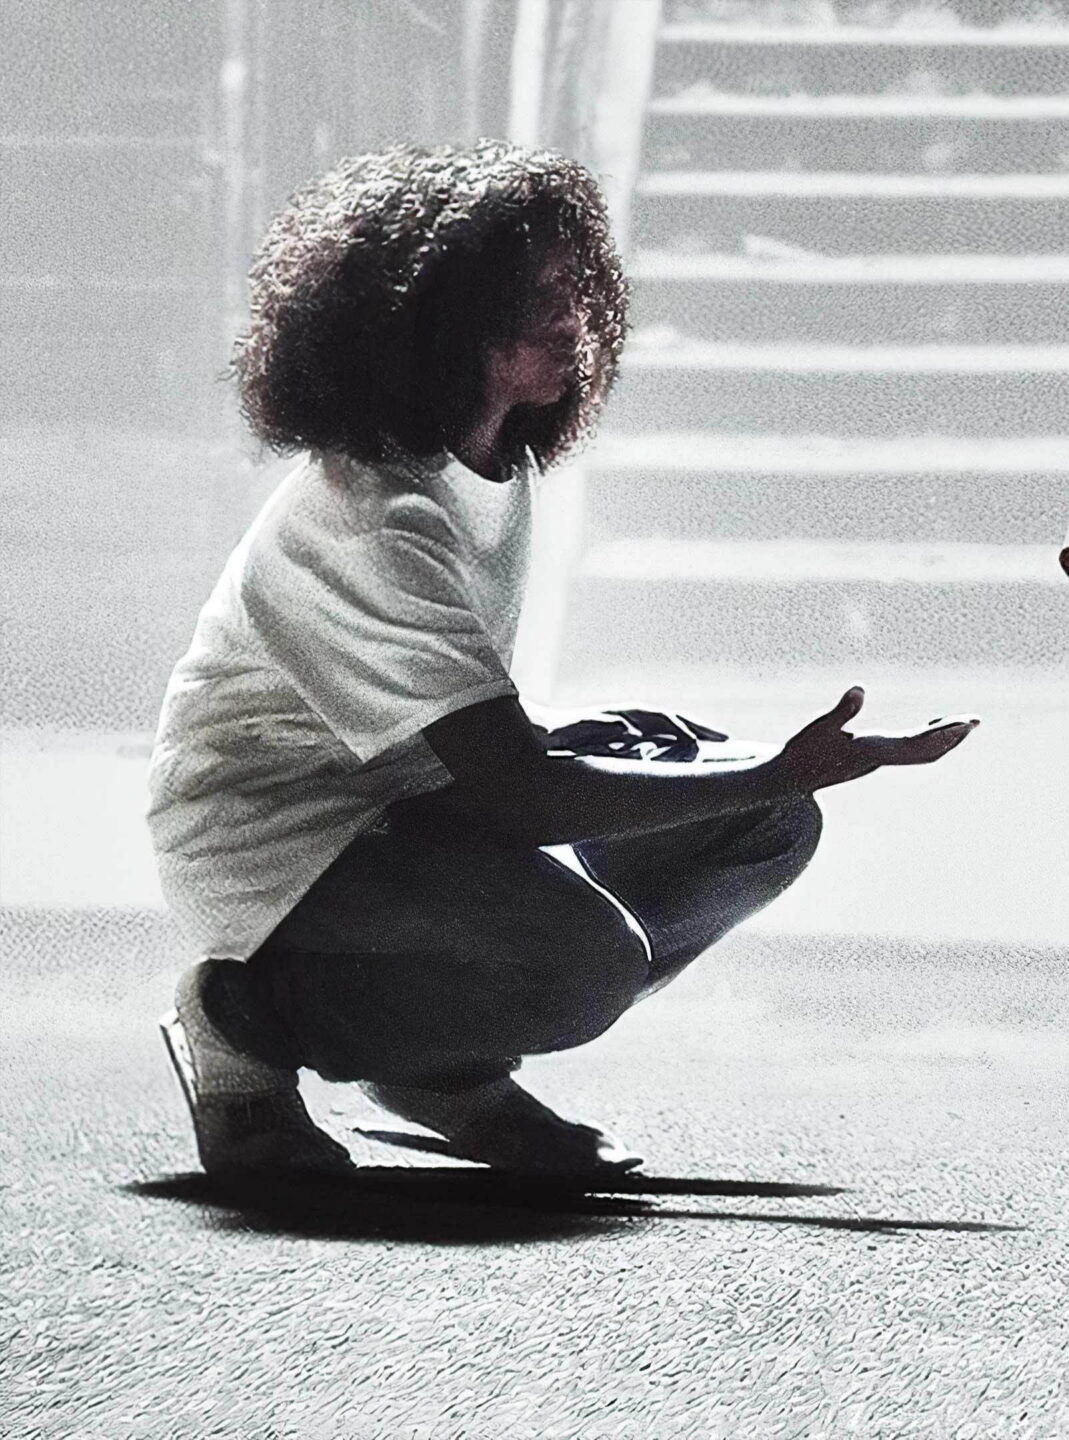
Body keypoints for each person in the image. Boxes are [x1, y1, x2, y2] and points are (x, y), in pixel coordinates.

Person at [149, 142, 975, 1178]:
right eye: (530, 297)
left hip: (401, 803)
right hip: (281, 841)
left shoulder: (490, 460)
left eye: (574, 286)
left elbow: (480, 750)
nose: (571, 315)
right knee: (590, 960)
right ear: (432, 319)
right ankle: (246, 1022)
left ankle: (434, 1066)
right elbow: (519, 797)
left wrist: (746, 777)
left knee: (762, 824)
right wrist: (775, 765)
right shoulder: (374, 520)